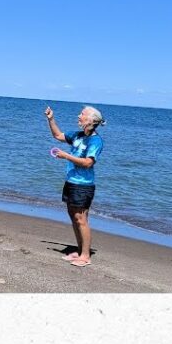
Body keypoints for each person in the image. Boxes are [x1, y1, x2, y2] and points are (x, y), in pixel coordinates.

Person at [44, 105, 105, 267]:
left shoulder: (95, 140)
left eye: (82, 114)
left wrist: (66, 156)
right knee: (74, 218)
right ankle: (79, 252)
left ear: (91, 120)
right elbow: (58, 135)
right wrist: (51, 119)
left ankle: (85, 256)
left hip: (83, 186)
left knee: (81, 219)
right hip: (70, 182)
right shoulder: (77, 135)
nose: (78, 116)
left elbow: (87, 163)